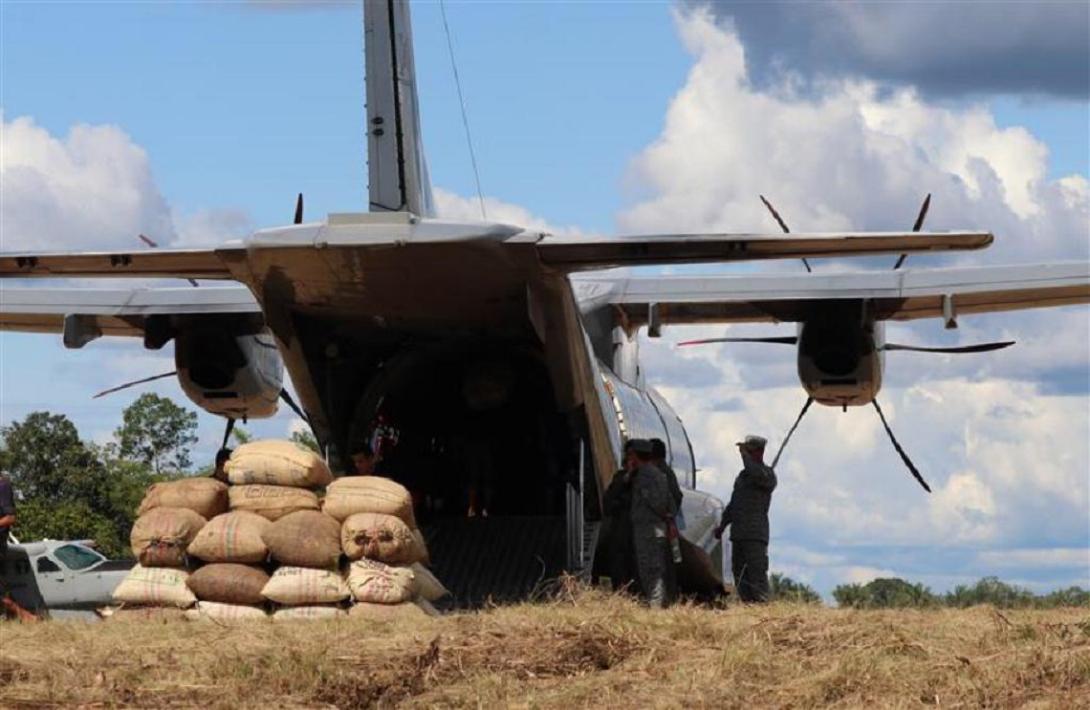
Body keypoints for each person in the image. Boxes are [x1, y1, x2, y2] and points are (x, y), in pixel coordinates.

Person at [714, 435, 777, 603]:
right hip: (739, 534)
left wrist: (746, 458)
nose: (745, 455)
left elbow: (755, 471)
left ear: (759, 452)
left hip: (755, 535)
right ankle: (747, 604)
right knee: (740, 575)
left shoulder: (766, 475)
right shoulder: (743, 477)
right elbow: (734, 504)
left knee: (756, 574)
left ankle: (762, 607)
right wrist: (722, 525)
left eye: (749, 451)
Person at [628, 439, 678, 608]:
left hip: (648, 530)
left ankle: (656, 608)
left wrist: (664, 516)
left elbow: (656, 502)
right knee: (655, 570)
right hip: (655, 530)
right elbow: (671, 501)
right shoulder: (659, 474)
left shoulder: (645, 476)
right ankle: (658, 604)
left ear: (635, 455)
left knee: (651, 572)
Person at [602, 440, 638, 592]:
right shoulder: (620, 478)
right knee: (619, 564)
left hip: (638, 532)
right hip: (621, 530)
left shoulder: (648, 479)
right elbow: (608, 502)